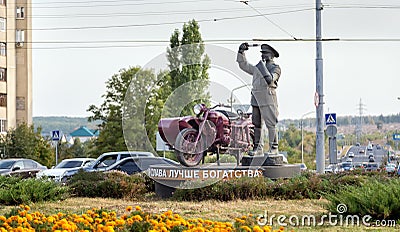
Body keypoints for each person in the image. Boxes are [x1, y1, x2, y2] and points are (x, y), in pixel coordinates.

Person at [236, 42, 281, 155]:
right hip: (256, 98)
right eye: (262, 53)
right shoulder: (258, 68)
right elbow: (243, 65)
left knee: (271, 124)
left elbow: (270, 79)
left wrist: (262, 67)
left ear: (271, 55)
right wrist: (241, 52)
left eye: (265, 53)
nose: (262, 55)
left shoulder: (275, 68)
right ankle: (258, 148)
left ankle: (273, 148)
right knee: (257, 124)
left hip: (268, 98)